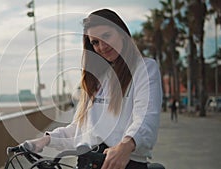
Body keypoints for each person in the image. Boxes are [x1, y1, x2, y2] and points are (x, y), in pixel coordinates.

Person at [23, 9, 163, 169]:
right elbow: (79, 128)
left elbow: (145, 117)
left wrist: (126, 145)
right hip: (87, 162)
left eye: (106, 36)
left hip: (123, 162)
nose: (102, 46)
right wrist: (45, 140)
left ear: (122, 33)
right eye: (95, 42)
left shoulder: (144, 68)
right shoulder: (96, 78)